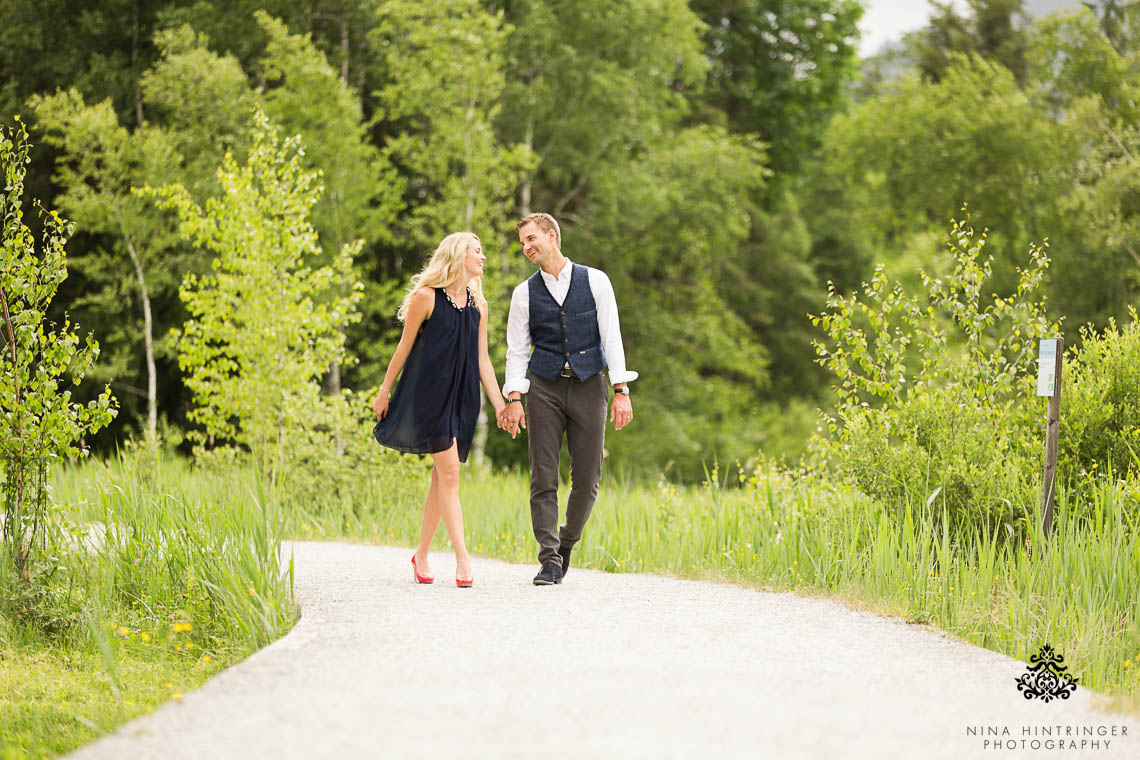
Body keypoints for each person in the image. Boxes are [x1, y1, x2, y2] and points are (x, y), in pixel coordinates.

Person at [498, 212, 636, 586]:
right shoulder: (523, 293)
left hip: (591, 384)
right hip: (543, 388)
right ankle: (548, 559)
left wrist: (621, 390)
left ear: (552, 235)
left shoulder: (596, 281)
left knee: (588, 477)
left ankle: (566, 543)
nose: (527, 247)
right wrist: (513, 396)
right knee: (543, 475)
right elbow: (515, 351)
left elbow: (612, 337)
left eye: (531, 239)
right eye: (523, 242)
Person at [372, 232, 510, 588]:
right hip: (428, 395)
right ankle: (463, 560)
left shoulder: (480, 306)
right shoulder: (426, 298)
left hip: (462, 396)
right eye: (477, 251)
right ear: (458, 256)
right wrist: (384, 392)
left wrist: (500, 404)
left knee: (441, 476)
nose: (483, 258)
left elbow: (483, 361)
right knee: (450, 473)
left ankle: (422, 553)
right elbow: (403, 348)